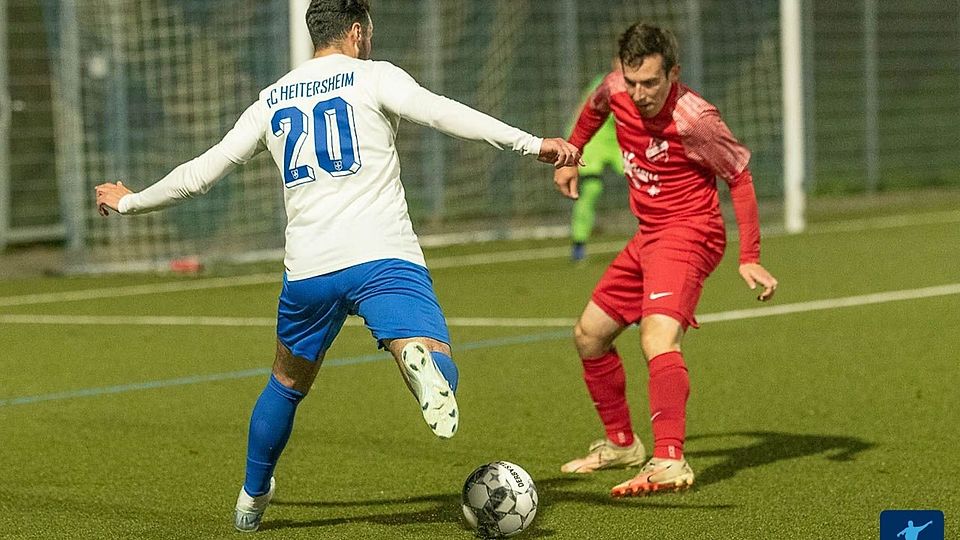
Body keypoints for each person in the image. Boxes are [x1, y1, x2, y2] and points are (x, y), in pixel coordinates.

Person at [95, 0, 580, 532]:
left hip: (310, 269)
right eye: (367, 31)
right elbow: (445, 112)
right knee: (438, 360)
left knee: (284, 383)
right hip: (382, 255)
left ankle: (252, 499)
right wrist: (531, 144)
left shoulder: (272, 99)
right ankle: (415, 357)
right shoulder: (374, 78)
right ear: (355, 30)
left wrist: (131, 201)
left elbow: (202, 172)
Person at [553, 22, 778, 497]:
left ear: (673, 73)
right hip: (649, 236)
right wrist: (573, 154)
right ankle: (622, 444)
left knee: (657, 338)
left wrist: (749, 256)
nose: (639, 94)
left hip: (692, 233)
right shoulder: (615, 89)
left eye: (651, 83)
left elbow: (739, 175)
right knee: (589, 336)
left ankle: (670, 460)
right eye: (632, 82)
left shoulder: (695, 119)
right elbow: (593, 111)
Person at [569, 58, 626, 262]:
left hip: (621, 141)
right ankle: (579, 243)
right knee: (592, 189)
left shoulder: (638, 84)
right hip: (596, 140)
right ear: (614, 63)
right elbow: (584, 110)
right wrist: (572, 143)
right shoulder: (604, 83)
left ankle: (659, 232)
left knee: (645, 182)